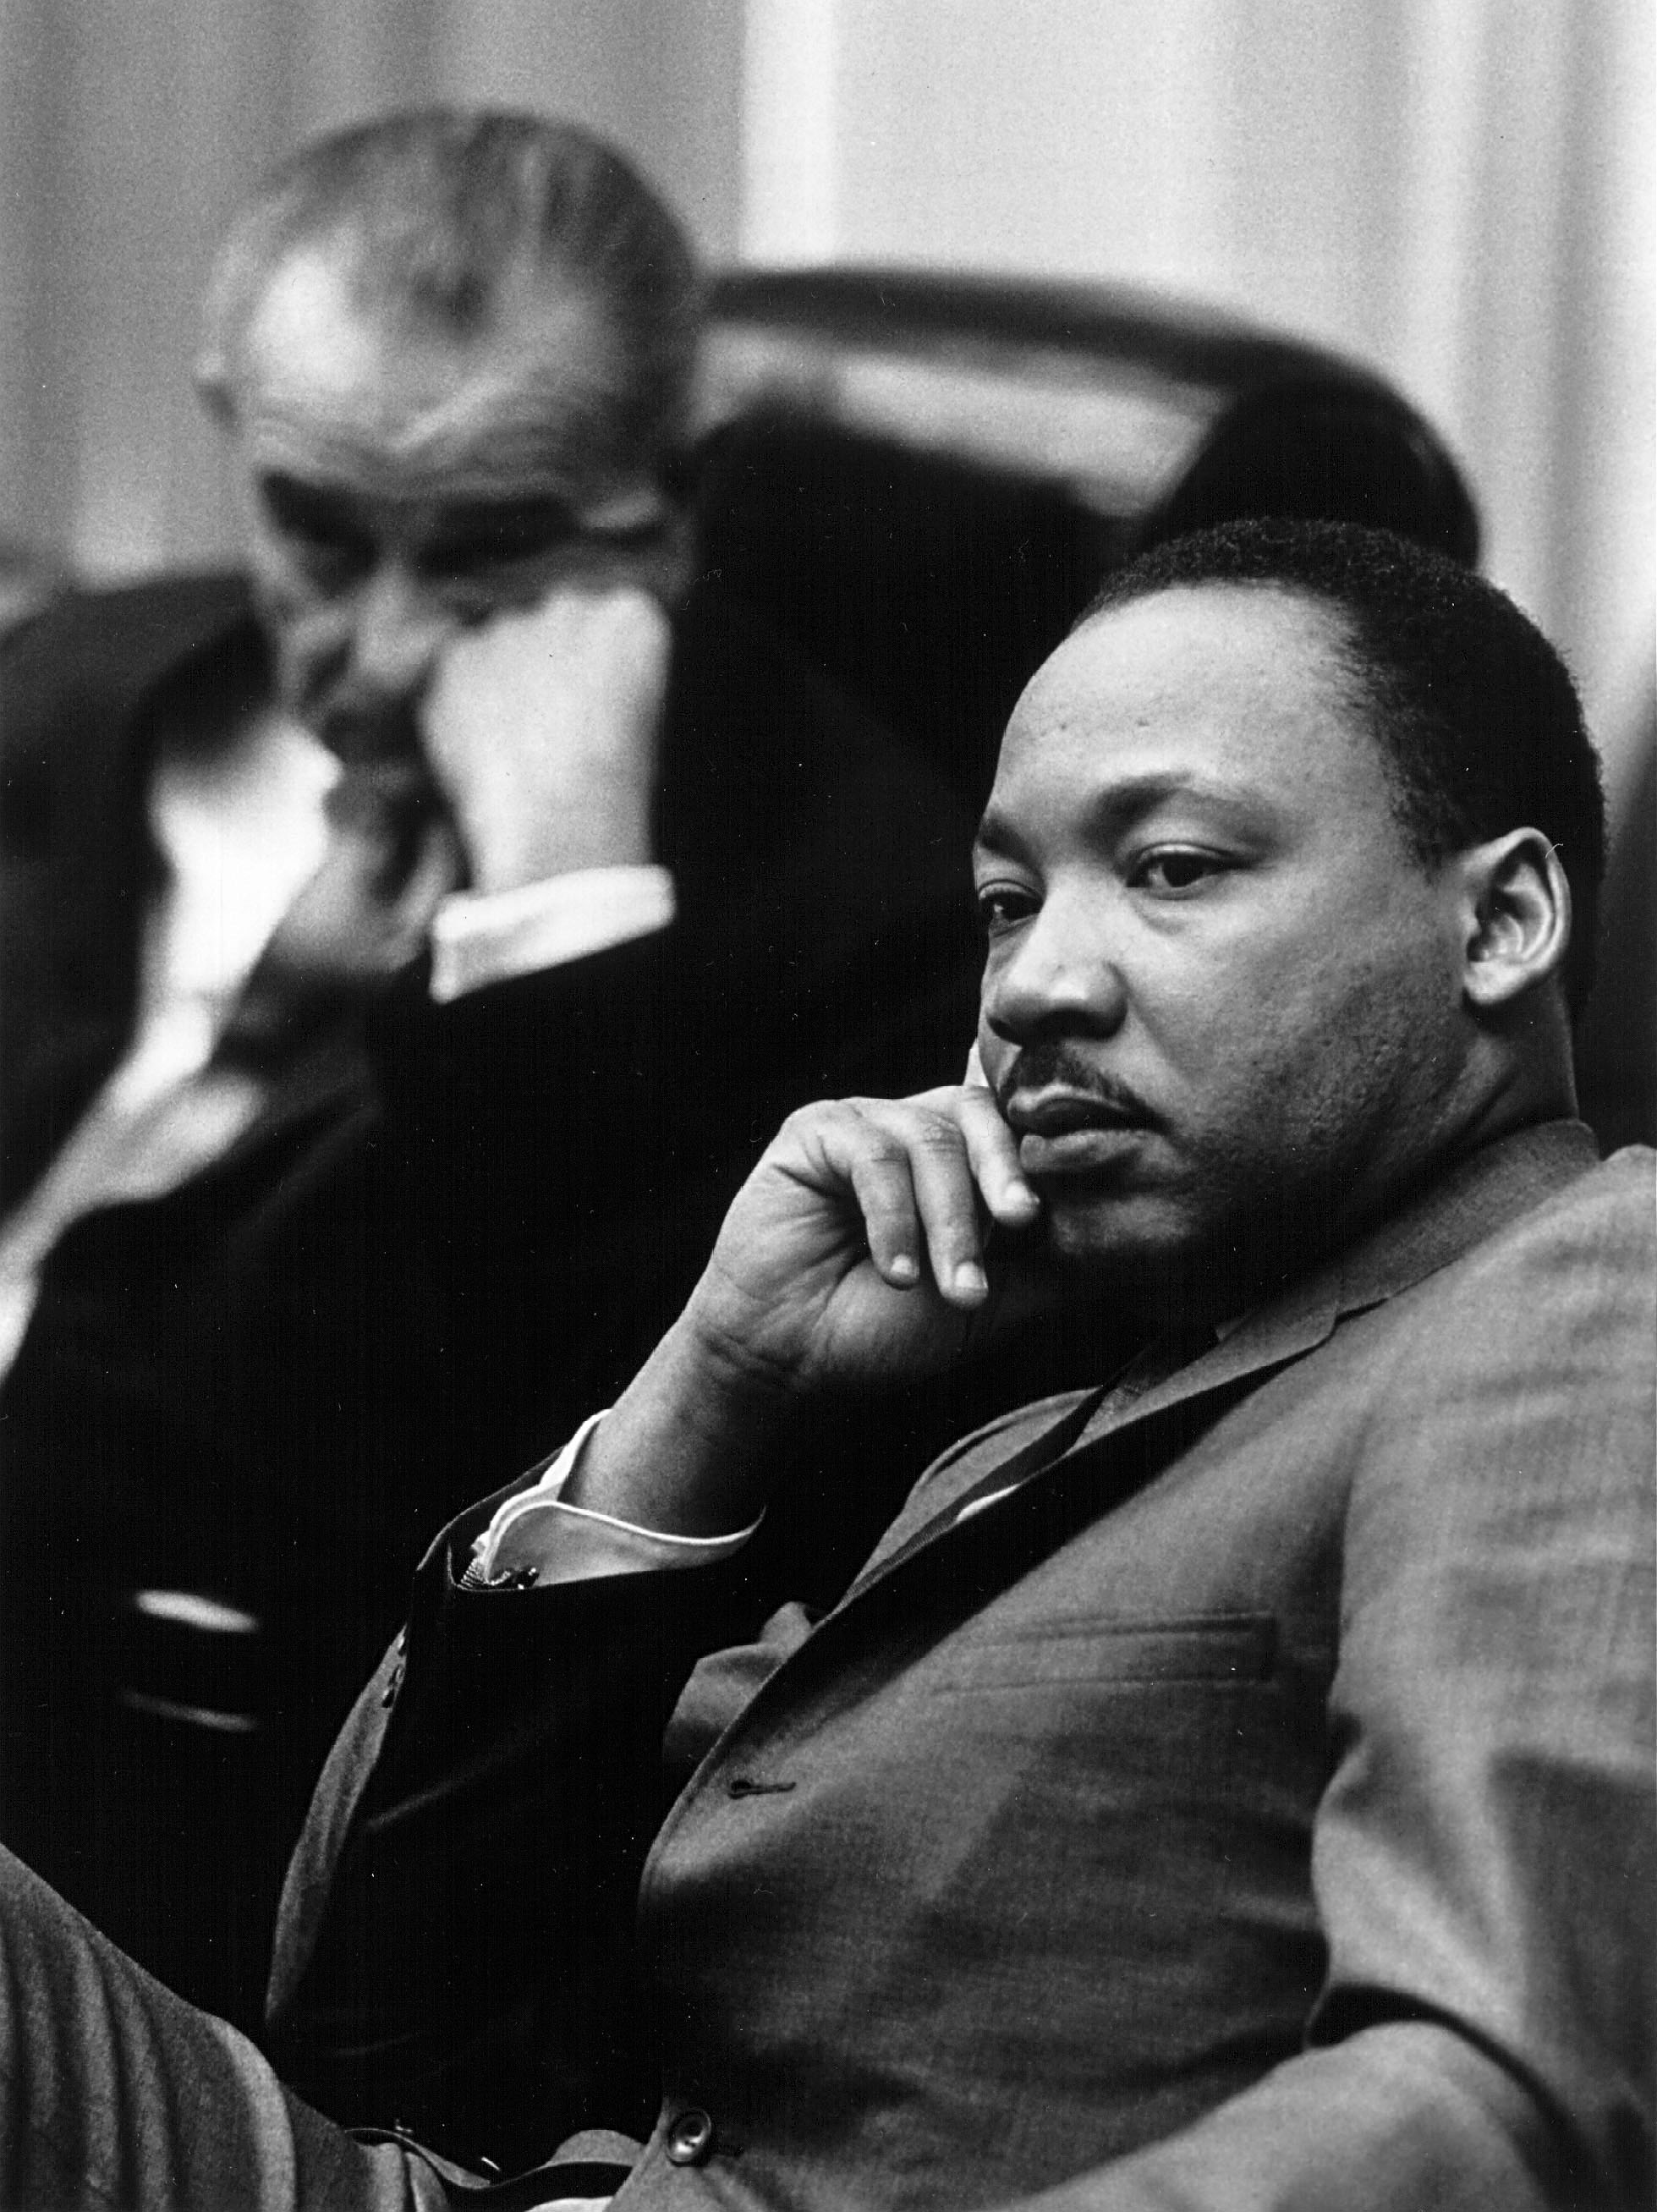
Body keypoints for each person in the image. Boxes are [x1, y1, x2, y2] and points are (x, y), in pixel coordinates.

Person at [0, 518, 1648, 2212]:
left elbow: (1497, 2101)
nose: (1038, 986)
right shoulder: (1033, 1429)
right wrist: (708, 1385)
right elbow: (370, 2029)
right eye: (1007, 901)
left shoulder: (1582, 1299)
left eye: (1171, 869)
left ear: (1503, 920)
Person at [0, 109, 979, 2030]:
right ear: (230, 420)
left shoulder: (871, 914)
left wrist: (562, 920)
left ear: (671, 495)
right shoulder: (76, 696)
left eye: (493, 550)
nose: (374, 649)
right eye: (316, 531)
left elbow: (621, 1556)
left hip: (174, 1870)